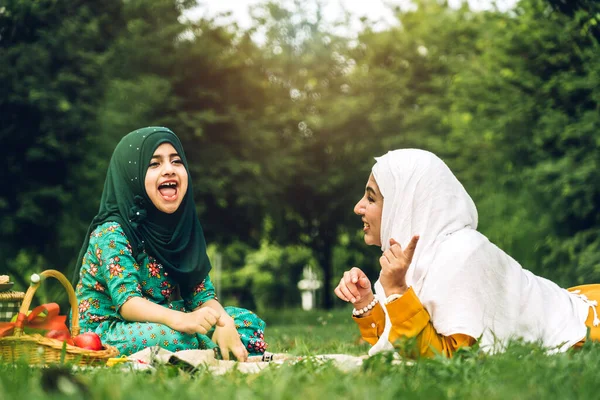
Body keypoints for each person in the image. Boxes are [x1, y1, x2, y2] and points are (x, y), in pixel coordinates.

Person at [334, 149, 600, 358]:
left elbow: (446, 358)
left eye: (371, 198)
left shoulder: (463, 254)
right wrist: (366, 302)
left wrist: (397, 292)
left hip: (587, 324)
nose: (359, 207)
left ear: (405, 204)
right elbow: (399, 343)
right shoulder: (417, 260)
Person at [72, 127, 267, 359]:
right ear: (131, 175)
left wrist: (224, 323)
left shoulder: (181, 229)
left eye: (176, 161)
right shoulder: (112, 232)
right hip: (110, 330)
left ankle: (210, 346)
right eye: (154, 164)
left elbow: (202, 298)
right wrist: (184, 320)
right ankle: (210, 348)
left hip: (165, 319)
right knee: (173, 337)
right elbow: (128, 303)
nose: (169, 170)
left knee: (245, 323)